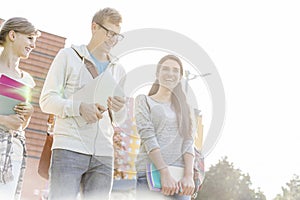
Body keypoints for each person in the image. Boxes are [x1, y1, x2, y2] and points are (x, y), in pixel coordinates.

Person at [39, 7, 125, 200]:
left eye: (117, 36)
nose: (113, 40)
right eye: (110, 33)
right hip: (69, 147)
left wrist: (119, 110)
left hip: (103, 154)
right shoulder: (68, 56)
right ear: (94, 27)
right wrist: (79, 108)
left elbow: (119, 119)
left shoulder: (118, 69)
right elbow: (46, 101)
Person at [135, 55, 196, 200]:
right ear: (157, 74)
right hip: (150, 176)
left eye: (176, 71)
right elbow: (148, 137)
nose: (170, 74)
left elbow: (189, 143)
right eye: (166, 69)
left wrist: (189, 175)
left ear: (180, 77)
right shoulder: (144, 101)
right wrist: (164, 172)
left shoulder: (186, 108)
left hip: (180, 179)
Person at [0, 17, 40, 199]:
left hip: (13, 152)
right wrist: (3, 120)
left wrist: (28, 114)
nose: (33, 45)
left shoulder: (27, 80)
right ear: (13, 35)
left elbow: (21, 125)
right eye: (30, 38)